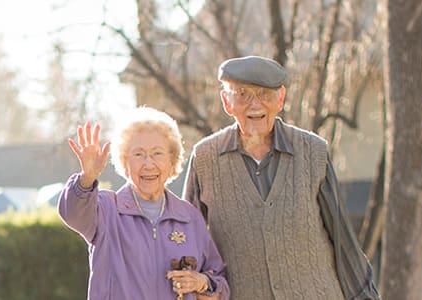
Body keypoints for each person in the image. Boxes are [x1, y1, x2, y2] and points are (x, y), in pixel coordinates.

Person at [182, 56, 381, 300]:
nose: (255, 105)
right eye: (242, 94)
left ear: (280, 98)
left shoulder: (312, 151)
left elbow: (343, 243)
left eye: (265, 94)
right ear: (227, 101)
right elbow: (187, 242)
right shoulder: (205, 158)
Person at [58, 107, 229, 300]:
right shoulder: (106, 209)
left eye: (157, 153)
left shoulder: (189, 217)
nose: (148, 164)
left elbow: (219, 282)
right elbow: (72, 213)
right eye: (138, 154)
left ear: (172, 161)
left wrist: (201, 282)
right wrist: (87, 178)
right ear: (124, 161)